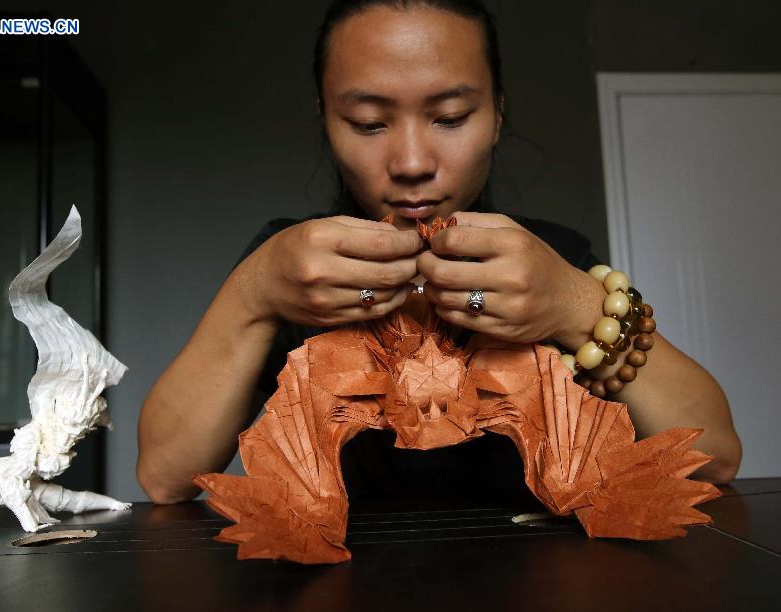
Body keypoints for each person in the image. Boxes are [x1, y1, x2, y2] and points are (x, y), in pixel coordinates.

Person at [137, 0, 742, 505]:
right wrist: (254, 291)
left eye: (450, 117)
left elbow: (714, 458)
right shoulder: (293, 268)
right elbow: (163, 476)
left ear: (498, 113)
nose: (412, 164)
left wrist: (579, 304)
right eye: (370, 122)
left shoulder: (553, 256)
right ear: (326, 120)